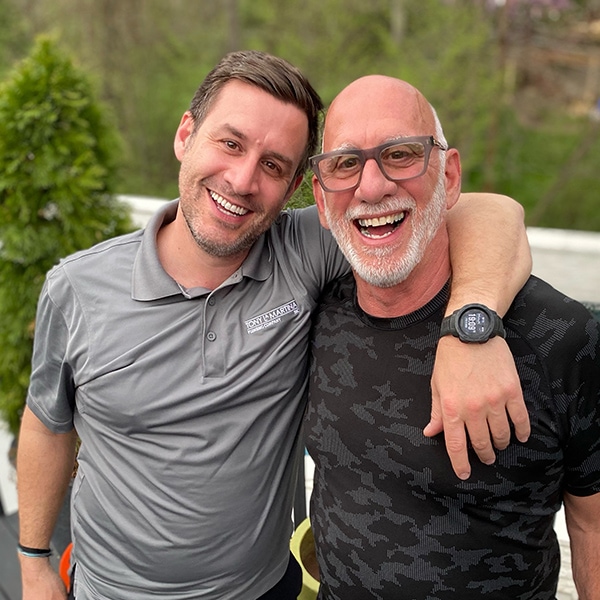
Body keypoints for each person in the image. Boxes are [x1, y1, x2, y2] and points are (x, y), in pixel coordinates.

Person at [16, 51, 531, 600]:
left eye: (273, 165)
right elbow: (47, 423)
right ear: (185, 135)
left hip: (265, 590)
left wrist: (470, 326)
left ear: (294, 191)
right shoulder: (78, 288)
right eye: (231, 144)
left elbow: (489, 213)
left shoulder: (304, 250)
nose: (241, 180)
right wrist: (33, 561)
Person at [306, 74, 600, 599]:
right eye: (346, 164)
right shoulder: (310, 313)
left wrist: (471, 327)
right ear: (322, 200)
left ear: (449, 174)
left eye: (400, 154)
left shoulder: (560, 337)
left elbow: (594, 526)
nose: (371, 187)